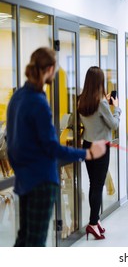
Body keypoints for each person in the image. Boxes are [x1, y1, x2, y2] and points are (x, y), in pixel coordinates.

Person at [6, 48, 106, 246]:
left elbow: (11, 142)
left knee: (24, 239)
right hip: (41, 182)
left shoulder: (17, 97)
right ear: (50, 69)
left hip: (24, 180)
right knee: (36, 242)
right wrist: (88, 153)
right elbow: (52, 148)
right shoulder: (38, 102)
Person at [78, 66, 121, 240]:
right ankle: (93, 223)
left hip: (87, 144)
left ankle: (95, 219)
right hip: (101, 147)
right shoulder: (101, 102)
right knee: (98, 184)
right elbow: (114, 124)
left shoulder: (81, 99)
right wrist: (116, 108)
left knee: (93, 184)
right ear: (100, 81)